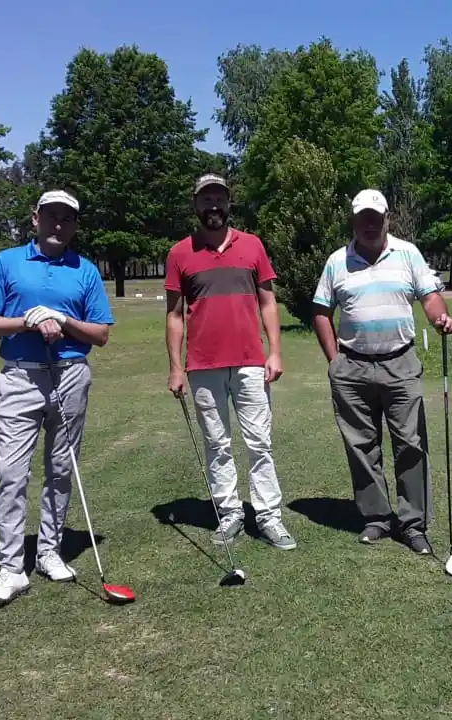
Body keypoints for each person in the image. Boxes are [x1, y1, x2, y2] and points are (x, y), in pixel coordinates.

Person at [0, 189, 115, 610]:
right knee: (12, 473)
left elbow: (101, 334)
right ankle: (11, 568)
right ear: (35, 218)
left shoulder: (85, 270)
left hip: (70, 375)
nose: (58, 225)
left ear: (75, 225)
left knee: (61, 468)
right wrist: (26, 322)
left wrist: (63, 320)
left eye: (66, 218)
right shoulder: (7, 261)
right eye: (51, 216)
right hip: (20, 377)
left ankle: (49, 551)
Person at [312, 188, 452, 555]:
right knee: (361, 446)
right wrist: (334, 361)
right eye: (363, 218)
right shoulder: (337, 262)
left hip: (400, 362)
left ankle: (413, 524)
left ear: (387, 219)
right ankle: (376, 518)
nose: (370, 224)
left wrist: (439, 317)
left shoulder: (407, 253)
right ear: (354, 221)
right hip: (352, 366)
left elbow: (430, 296)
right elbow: (321, 311)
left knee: (410, 443)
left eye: (376, 218)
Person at [165, 173, 295, 550]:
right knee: (217, 444)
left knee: (259, 442)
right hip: (202, 365)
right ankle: (230, 513)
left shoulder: (253, 245)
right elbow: (174, 315)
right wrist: (175, 367)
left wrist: (275, 351)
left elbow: (268, 302)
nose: (214, 206)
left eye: (219, 199)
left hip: (251, 362)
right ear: (196, 205)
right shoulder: (179, 253)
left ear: (229, 203)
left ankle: (269, 517)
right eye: (206, 200)